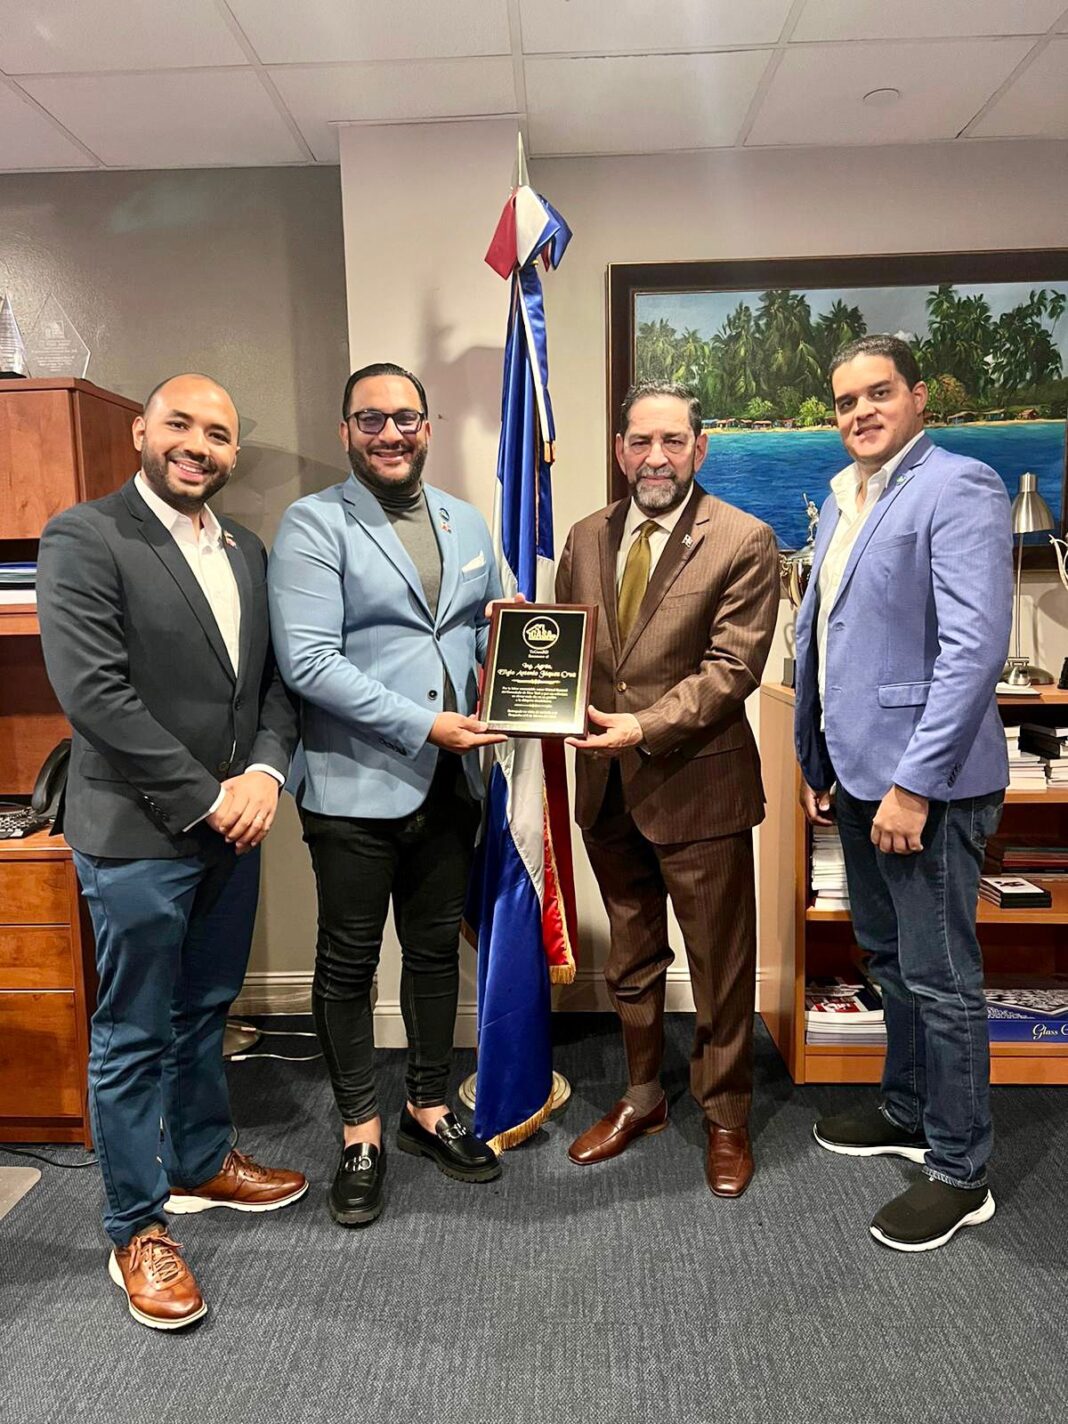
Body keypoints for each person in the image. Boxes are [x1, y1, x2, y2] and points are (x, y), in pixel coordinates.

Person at [36, 374, 305, 1332]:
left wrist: (264, 774)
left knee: (205, 1009)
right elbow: (94, 695)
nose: (199, 445)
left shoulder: (246, 549)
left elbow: (272, 686)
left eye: (219, 434)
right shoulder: (84, 536)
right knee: (134, 1033)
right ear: (141, 433)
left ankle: (198, 1161)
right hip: (140, 835)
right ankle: (136, 1228)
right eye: (180, 425)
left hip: (237, 827)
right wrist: (208, 798)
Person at [268, 361, 505, 1228]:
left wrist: (520, 655)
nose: (391, 433)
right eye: (371, 419)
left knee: (436, 955)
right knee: (349, 963)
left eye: (406, 418)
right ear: (346, 432)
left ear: (428, 427)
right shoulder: (313, 523)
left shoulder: (466, 521)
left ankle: (427, 1108)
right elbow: (308, 662)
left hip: (451, 785)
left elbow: (490, 626)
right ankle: (360, 1132)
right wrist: (424, 724)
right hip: (352, 788)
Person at [793, 334, 1012, 1252]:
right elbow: (829, 637)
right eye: (846, 401)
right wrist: (816, 758)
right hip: (855, 777)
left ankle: (960, 1170)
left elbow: (974, 649)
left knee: (942, 978)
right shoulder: (848, 497)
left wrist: (914, 786)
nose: (860, 412)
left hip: (928, 787)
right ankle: (909, 1108)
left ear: (919, 397)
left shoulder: (959, 486)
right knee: (888, 960)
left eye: (878, 393)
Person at [557, 381, 779, 1197]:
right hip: (605, 787)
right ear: (620, 450)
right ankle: (644, 1095)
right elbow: (567, 648)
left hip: (698, 786)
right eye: (641, 442)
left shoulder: (743, 538)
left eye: (673, 441)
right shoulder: (585, 536)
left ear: (699, 449)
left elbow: (732, 669)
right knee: (632, 955)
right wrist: (518, 673)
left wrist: (641, 727)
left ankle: (726, 1116)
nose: (656, 457)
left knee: (719, 965)